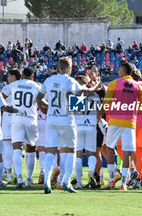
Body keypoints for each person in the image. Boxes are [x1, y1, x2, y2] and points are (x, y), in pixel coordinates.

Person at [39, 57, 100, 194]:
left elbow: (39, 98)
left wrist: (49, 107)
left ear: (57, 68)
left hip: (52, 119)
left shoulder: (48, 80)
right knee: (71, 151)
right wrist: (95, 86)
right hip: (66, 119)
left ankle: (47, 181)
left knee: (51, 151)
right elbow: (80, 93)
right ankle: (66, 182)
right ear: (69, 68)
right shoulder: (70, 81)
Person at [101, 62, 142, 191]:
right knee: (127, 154)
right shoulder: (138, 86)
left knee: (109, 149)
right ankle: (123, 183)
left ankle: (112, 180)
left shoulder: (114, 83)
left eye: (119, 68)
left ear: (123, 70)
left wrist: (101, 113)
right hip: (130, 122)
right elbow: (139, 105)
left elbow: (107, 102)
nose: (118, 70)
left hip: (115, 121)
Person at [2, 67, 43, 188]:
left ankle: (19, 178)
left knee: (16, 148)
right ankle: (29, 179)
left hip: (17, 117)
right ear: (32, 76)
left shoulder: (14, 84)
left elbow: (1, 97)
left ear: (22, 75)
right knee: (30, 149)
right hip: (31, 118)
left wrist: (8, 108)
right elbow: (41, 102)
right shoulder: (36, 86)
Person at [74, 75, 100, 189]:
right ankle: (90, 171)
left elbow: (74, 113)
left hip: (78, 126)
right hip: (91, 126)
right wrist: (96, 121)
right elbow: (99, 112)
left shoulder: (76, 94)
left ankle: (79, 182)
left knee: (78, 154)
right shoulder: (95, 95)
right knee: (91, 153)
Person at [1, 69, 21, 183]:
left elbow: (0, 99)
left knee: (7, 145)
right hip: (20, 115)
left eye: (9, 76)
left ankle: (8, 173)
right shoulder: (23, 85)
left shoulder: (8, 87)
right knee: (18, 147)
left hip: (9, 115)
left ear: (13, 77)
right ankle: (17, 173)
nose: (8, 78)